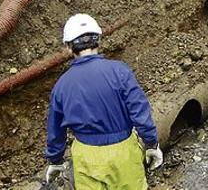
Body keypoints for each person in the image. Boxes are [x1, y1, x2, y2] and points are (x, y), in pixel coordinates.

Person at [44, 14, 163, 189]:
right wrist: (151, 143)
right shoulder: (120, 72)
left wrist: (55, 160)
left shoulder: (61, 86)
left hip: (86, 157)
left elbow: (55, 130)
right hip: (124, 152)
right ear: (98, 40)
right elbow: (140, 113)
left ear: (69, 47)